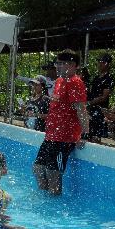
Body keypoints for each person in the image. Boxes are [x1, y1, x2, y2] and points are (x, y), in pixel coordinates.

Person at [32, 50, 89, 196]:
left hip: (64, 137)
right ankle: (46, 199)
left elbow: (81, 110)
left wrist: (84, 134)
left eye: (62, 64)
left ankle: (53, 205)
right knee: (38, 168)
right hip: (52, 135)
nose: (58, 66)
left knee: (53, 172)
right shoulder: (59, 81)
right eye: (57, 63)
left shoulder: (75, 82)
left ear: (73, 65)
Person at [86, 54, 115, 142]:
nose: (99, 64)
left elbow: (104, 97)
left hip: (100, 111)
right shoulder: (96, 78)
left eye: (102, 62)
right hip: (91, 109)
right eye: (99, 62)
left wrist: (90, 103)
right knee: (88, 134)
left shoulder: (109, 78)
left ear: (108, 64)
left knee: (96, 137)